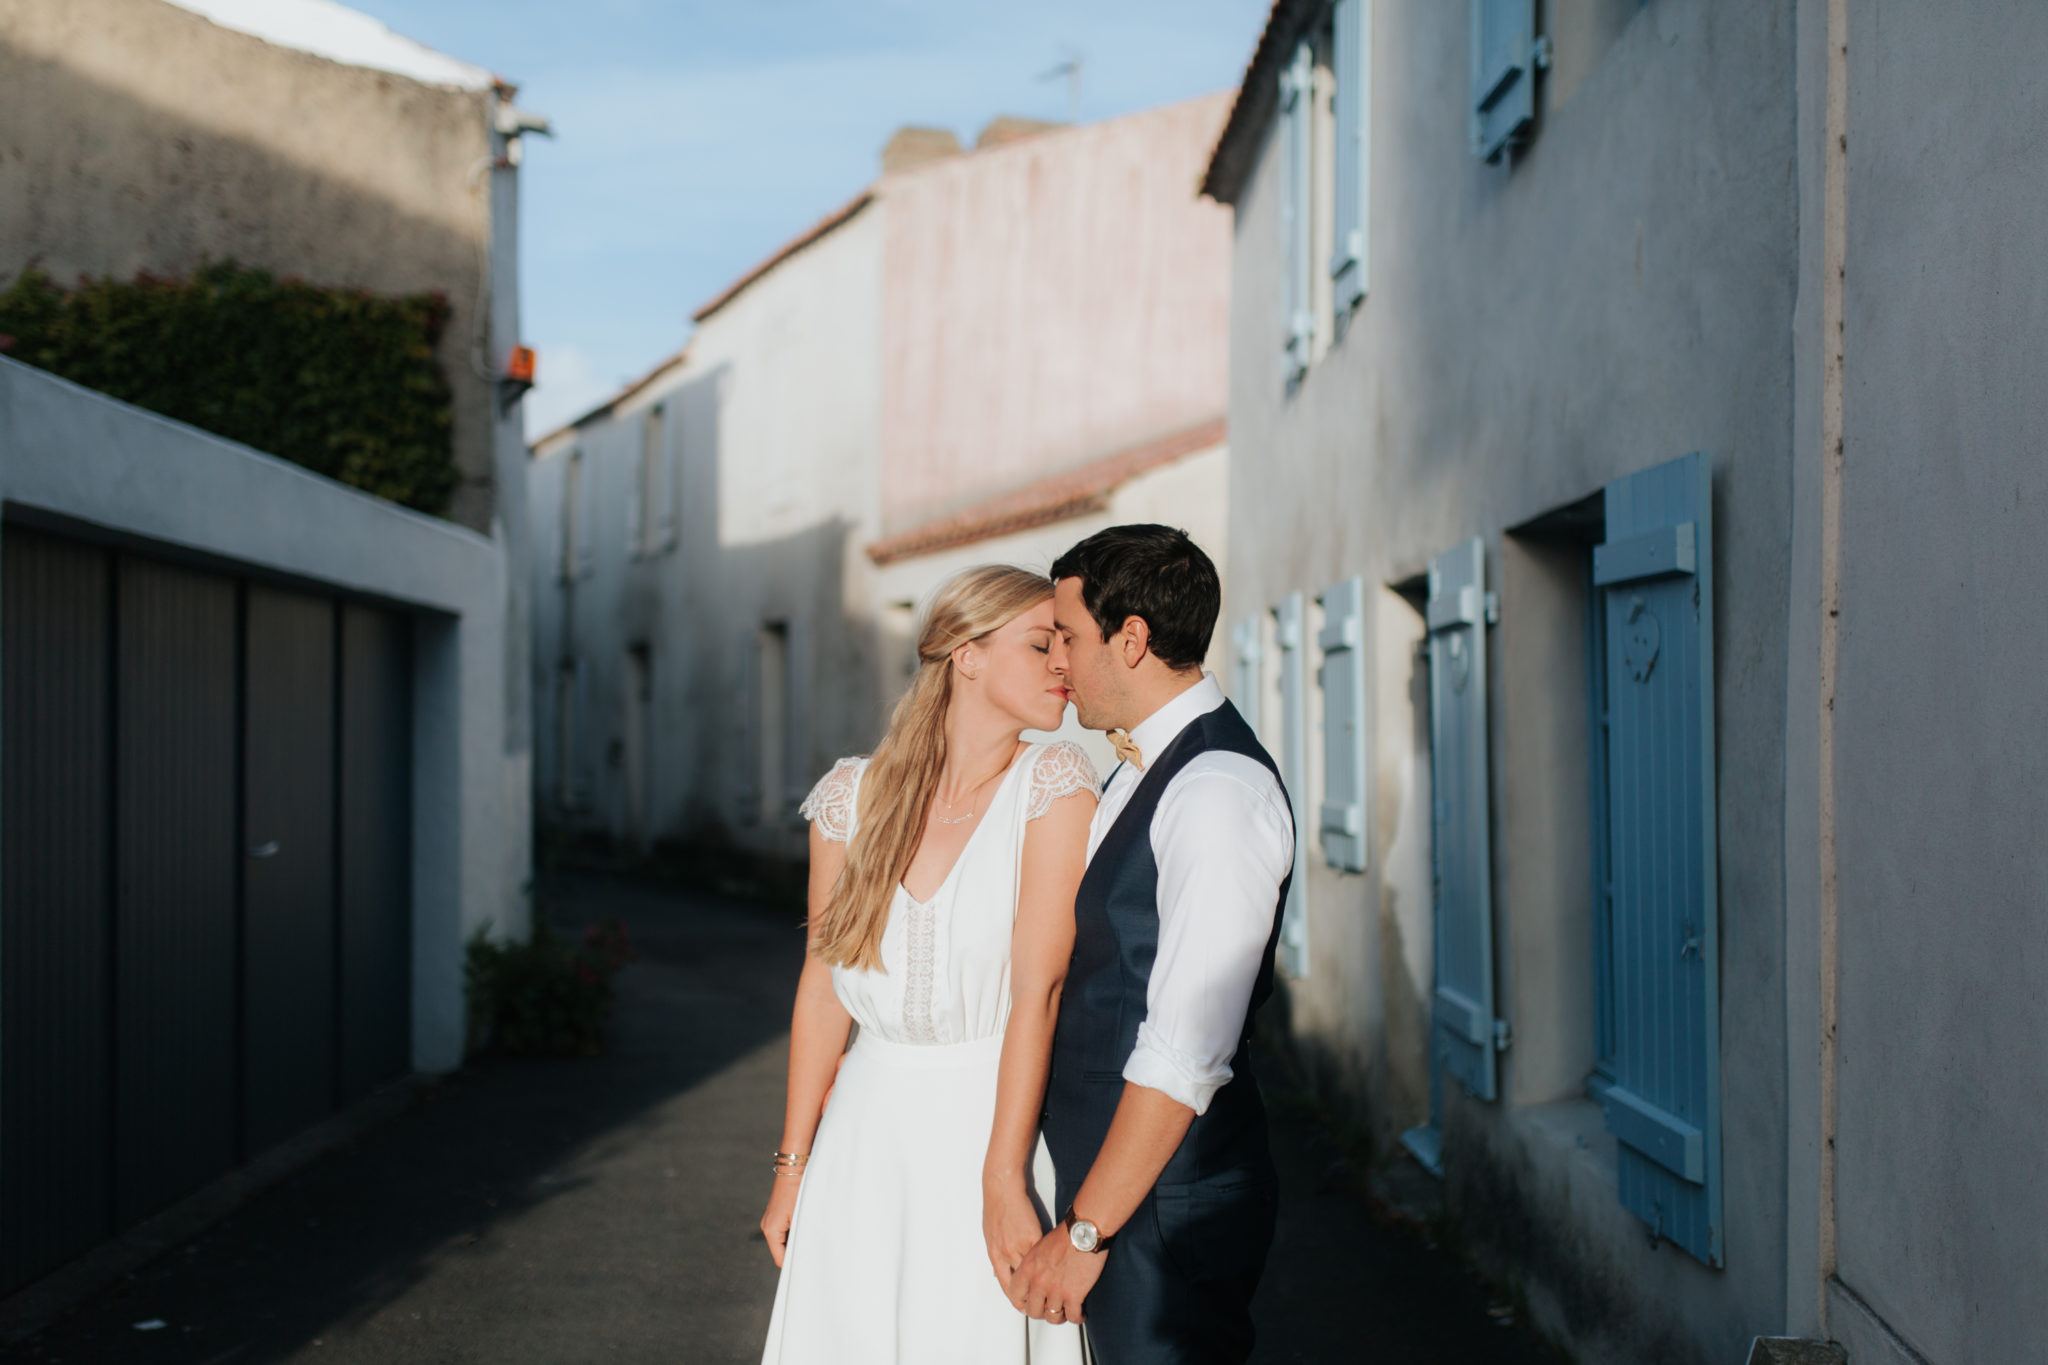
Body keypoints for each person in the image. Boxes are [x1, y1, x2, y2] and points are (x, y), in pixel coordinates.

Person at [758, 565, 1098, 1365]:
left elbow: (1036, 995)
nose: (1063, 663)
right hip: (862, 1142)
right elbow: (822, 985)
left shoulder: (1054, 786)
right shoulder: (851, 796)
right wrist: (790, 1167)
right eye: (1041, 643)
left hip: (991, 1129)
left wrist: (1005, 1177)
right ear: (965, 655)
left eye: (1065, 645)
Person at [1012, 524, 1296, 1364]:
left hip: (1163, 1204)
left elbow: (1184, 1051)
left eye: (1066, 635)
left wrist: (1087, 1230)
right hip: (1127, 1190)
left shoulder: (1215, 788)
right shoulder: (1140, 767)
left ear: (1130, 638)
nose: (1056, 658)